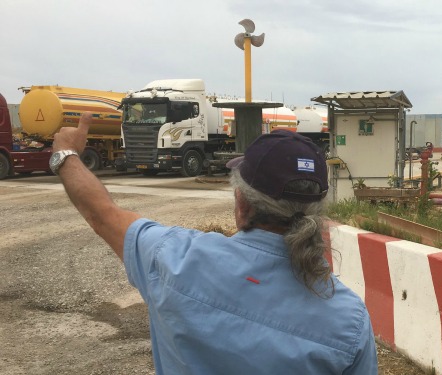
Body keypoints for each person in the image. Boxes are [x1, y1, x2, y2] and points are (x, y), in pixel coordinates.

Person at [50, 113, 378, 375]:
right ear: (319, 211)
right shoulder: (348, 320)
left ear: (242, 203)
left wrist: (66, 154)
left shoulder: (173, 257)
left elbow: (101, 213)